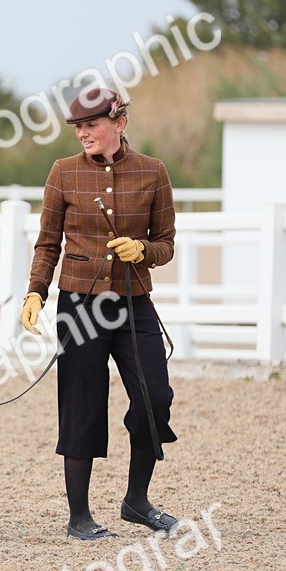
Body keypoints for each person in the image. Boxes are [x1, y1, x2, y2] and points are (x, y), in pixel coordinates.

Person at [21, 87, 177, 540]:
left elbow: (166, 243)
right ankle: (79, 517)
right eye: (79, 127)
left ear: (119, 123)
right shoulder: (63, 172)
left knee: (155, 398)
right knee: (82, 404)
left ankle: (136, 501)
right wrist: (36, 292)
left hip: (134, 302)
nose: (83, 134)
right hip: (80, 305)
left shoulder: (153, 171)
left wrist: (142, 250)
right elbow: (47, 243)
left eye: (92, 125)